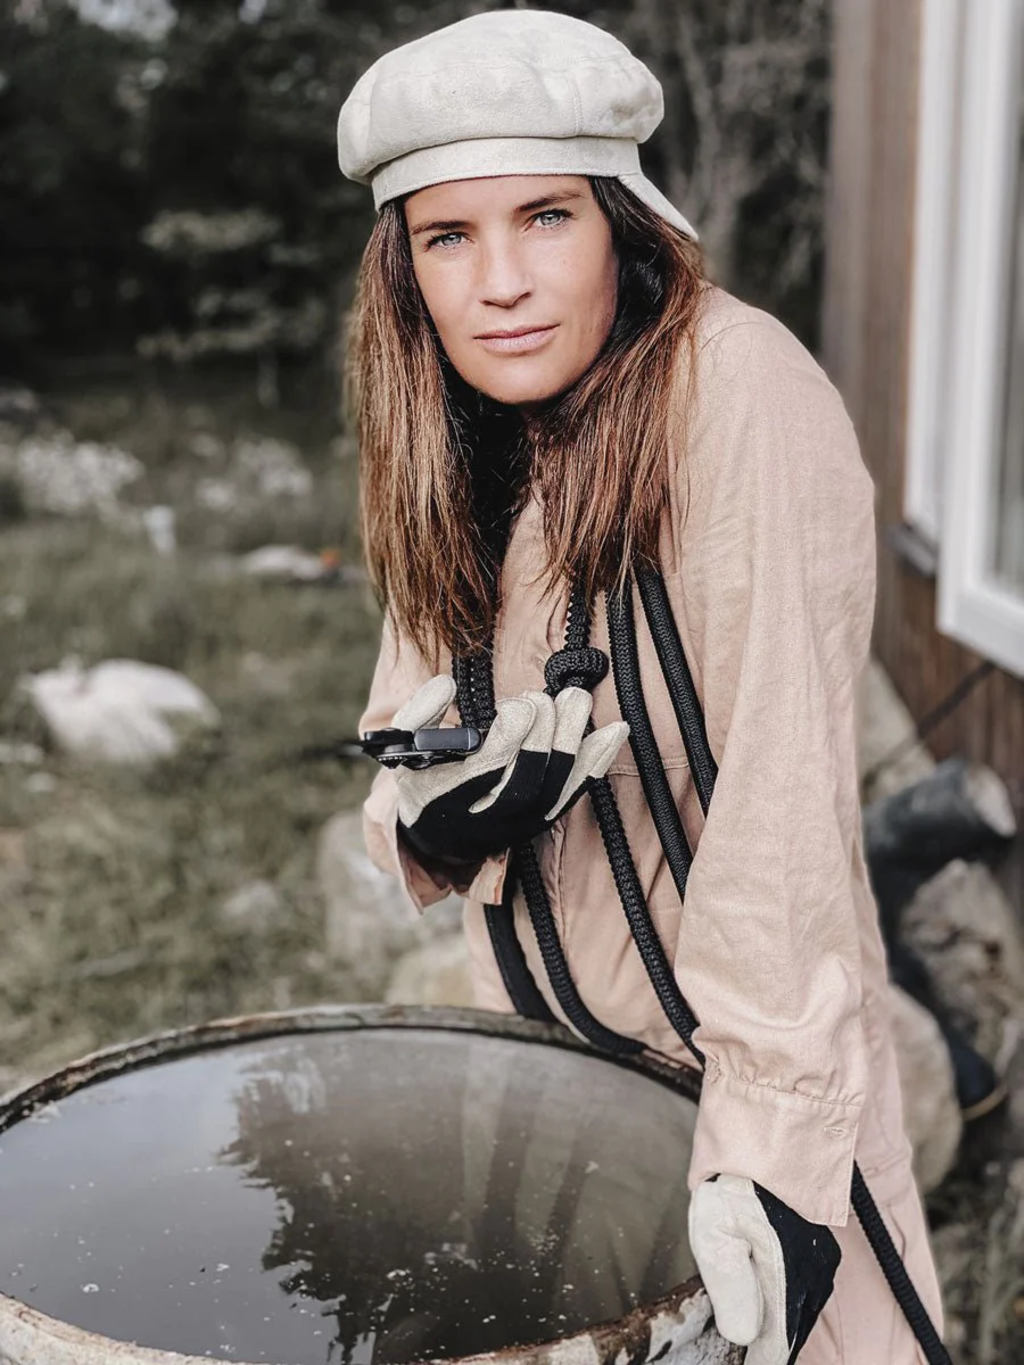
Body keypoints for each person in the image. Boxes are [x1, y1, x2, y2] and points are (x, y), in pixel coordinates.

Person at [337, 10, 945, 1363]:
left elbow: (783, 802)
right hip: (540, 1070)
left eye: (545, 217)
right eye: (449, 236)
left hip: (735, 1081)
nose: (501, 282)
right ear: (406, 271)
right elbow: (404, 719)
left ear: (620, 218)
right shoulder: (455, 428)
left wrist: (771, 1155)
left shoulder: (737, 393)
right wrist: (438, 812)